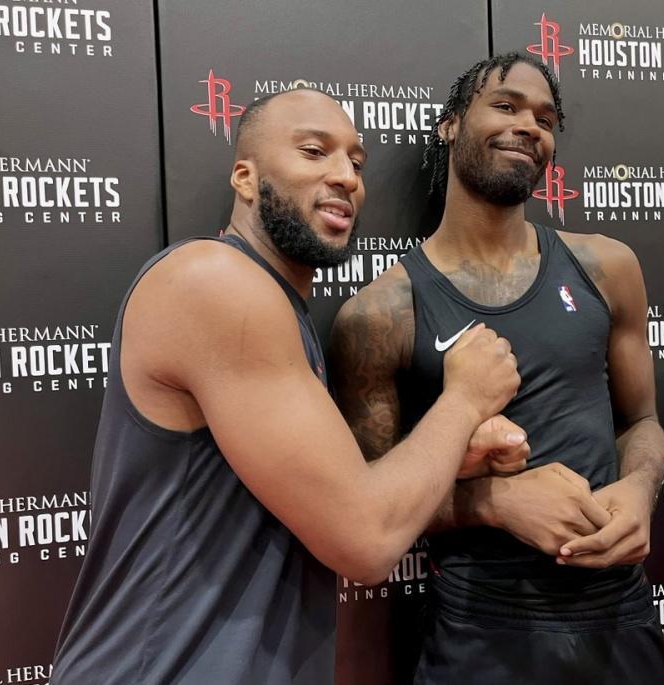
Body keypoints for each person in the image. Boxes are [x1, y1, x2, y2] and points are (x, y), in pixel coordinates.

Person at [49, 89, 524, 685]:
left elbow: (323, 493)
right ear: (245, 178)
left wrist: (453, 455)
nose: (346, 176)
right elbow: (366, 538)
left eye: (356, 162)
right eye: (313, 151)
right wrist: (465, 399)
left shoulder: (272, 308)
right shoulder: (216, 284)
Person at [330, 53, 664, 684]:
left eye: (545, 119)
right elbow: (372, 508)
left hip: (620, 618)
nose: (528, 127)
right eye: (506, 106)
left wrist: (639, 489)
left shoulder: (608, 268)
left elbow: (643, 422)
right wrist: (494, 503)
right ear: (451, 124)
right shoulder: (380, 314)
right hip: (481, 635)